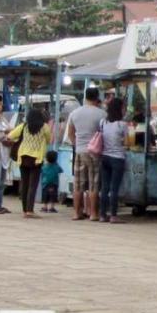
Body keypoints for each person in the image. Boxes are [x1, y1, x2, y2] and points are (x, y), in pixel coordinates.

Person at [66, 87, 105, 221]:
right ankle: (94, 214)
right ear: (96, 98)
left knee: (78, 184)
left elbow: (70, 133)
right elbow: (104, 134)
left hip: (79, 151)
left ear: (85, 97)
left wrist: (77, 145)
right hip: (95, 153)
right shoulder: (101, 114)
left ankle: (77, 213)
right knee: (94, 184)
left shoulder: (74, 113)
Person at [7, 108, 52, 218]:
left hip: (23, 157)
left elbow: (10, 136)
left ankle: (24, 210)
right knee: (33, 185)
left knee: (25, 184)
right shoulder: (44, 127)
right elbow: (49, 140)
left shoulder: (23, 126)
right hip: (36, 159)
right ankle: (30, 211)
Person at [98, 97, 131, 223]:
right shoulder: (122, 125)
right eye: (124, 107)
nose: (125, 110)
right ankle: (113, 215)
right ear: (120, 109)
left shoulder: (103, 122)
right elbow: (127, 143)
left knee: (104, 188)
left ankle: (102, 214)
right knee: (114, 188)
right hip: (118, 158)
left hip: (104, 157)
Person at [39, 150, 62, 214]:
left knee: (45, 196)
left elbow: (41, 171)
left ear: (46, 158)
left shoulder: (44, 167)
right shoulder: (56, 166)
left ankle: (45, 207)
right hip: (54, 183)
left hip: (45, 183)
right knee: (53, 196)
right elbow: (61, 170)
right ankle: (52, 208)